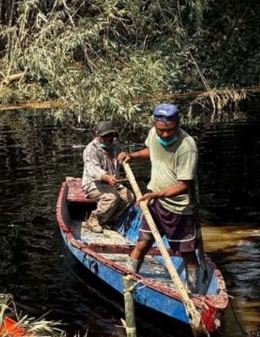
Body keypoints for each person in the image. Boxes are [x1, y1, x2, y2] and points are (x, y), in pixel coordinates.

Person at [117, 103, 202, 290]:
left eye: (170, 130)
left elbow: (183, 185)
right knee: (142, 243)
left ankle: (194, 295)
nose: (165, 135)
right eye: (161, 130)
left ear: (178, 124)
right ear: (155, 125)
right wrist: (133, 155)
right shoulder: (153, 134)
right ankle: (127, 283)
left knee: (187, 254)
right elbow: (152, 151)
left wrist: (156, 194)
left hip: (178, 209)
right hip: (155, 203)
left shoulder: (187, 147)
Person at [80, 120, 133, 233]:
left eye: (110, 135)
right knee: (112, 197)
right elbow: (93, 169)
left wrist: (126, 172)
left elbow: (122, 162)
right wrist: (107, 177)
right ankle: (94, 218)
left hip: (113, 183)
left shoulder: (116, 146)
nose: (108, 139)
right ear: (97, 136)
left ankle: (109, 220)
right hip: (94, 184)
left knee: (129, 197)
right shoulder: (90, 150)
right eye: (105, 136)